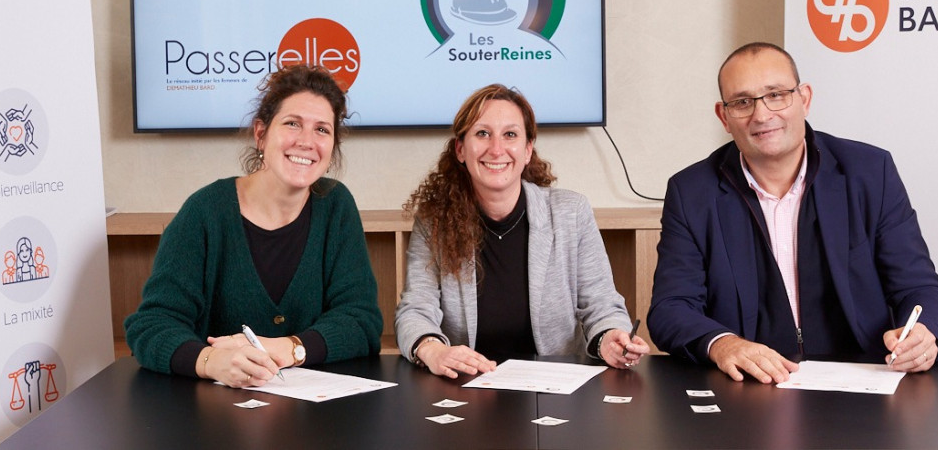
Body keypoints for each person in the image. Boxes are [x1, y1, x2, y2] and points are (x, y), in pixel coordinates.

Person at [648, 42, 938, 384]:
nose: (762, 115)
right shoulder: (692, 192)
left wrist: (924, 334)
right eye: (743, 102)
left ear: (804, 99)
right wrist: (723, 344)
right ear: (724, 116)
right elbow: (670, 308)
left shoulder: (870, 172)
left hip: (863, 381)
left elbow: (919, 287)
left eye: (776, 94)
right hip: (749, 387)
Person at [124, 65, 382, 387]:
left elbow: (362, 321)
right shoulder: (204, 212)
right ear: (261, 134)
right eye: (292, 124)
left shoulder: (336, 205)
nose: (306, 141)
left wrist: (289, 348)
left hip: (317, 417)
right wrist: (209, 361)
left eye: (322, 130)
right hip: (216, 416)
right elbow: (151, 326)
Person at [395, 84, 648, 378]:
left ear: (528, 150)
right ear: (461, 149)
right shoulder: (434, 220)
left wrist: (610, 338)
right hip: (468, 386)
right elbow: (415, 309)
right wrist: (433, 350)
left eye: (510, 135)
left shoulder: (571, 212)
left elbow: (602, 304)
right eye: (482, 133)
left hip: (554, 388)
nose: (496, 149)